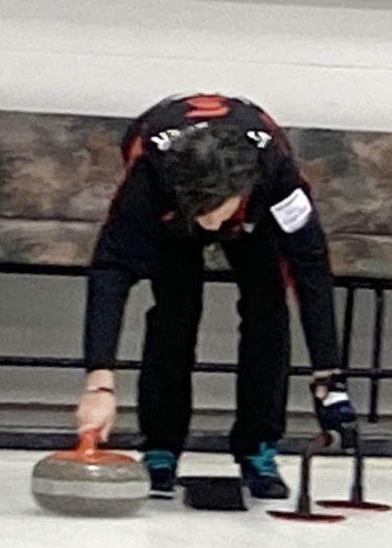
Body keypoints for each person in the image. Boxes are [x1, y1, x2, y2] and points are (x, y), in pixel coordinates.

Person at [75, 93, 353, 496]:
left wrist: (328, 374)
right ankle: (160, 447)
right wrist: (98, 384)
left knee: (268, 310)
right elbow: (109, 271)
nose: (207, 223)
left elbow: (310, 269)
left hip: (253, 218)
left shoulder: (277, 178)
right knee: (175, 308)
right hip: (172, 215)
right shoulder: (150, 179)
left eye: (213, 209)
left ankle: (259, 448)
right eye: (199, 209)